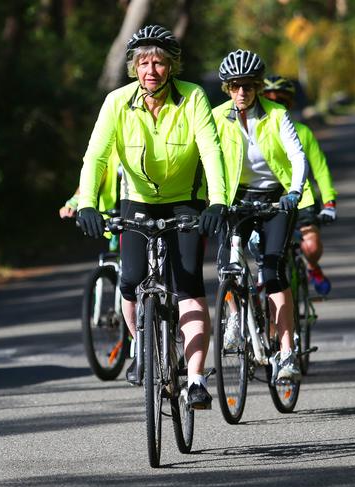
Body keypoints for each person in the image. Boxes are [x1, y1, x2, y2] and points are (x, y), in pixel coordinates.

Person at [75, 25, 227, 409]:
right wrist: (87, 203)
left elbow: (211, 151)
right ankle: (142, 345)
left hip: (185, 202)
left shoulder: (192, 98)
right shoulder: (117, 103)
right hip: (138, 201)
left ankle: (194, 379)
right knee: (129, 280)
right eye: (143, 62)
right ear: (134, 67)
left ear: (171, 66)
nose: (151, 70)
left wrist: (218, 202)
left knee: (189, 286)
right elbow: (96, 156)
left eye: (159, 62)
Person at [212, 50, 312, 380]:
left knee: (271, 271)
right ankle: (235, 320)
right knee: (228, 264)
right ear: (228, 88)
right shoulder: (215, 118)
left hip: (275, 199)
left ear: (258, 87)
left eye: (249, 86)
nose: (243, 92)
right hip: (234, 199)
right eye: (236, 86)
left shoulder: (277, 115)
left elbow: (298, 157)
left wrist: (294, 192)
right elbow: (201, 157)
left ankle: (286, 352)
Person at [262, 75, 337, 296]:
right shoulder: (253, 130)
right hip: (269, 199)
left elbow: (320, 169)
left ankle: (312, 267)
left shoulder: (303, 132)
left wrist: (329, 202)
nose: (275, 104)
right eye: (269, 99)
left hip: (301, 197)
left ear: (290, 103)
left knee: (310, 247)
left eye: (281, 100)